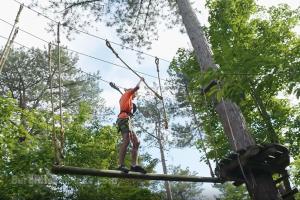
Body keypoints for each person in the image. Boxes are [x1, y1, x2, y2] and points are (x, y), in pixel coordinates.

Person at [116, 77, 146, 174]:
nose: (134, 96)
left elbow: (129, 101)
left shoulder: (127, 99)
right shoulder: (127, 94)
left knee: (136, 142)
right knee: (126, 141)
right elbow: (136, 87)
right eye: (134, 95)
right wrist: (141, 80)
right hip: (123, 118)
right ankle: (120, 165)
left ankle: (134, 165)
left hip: (127, 120)